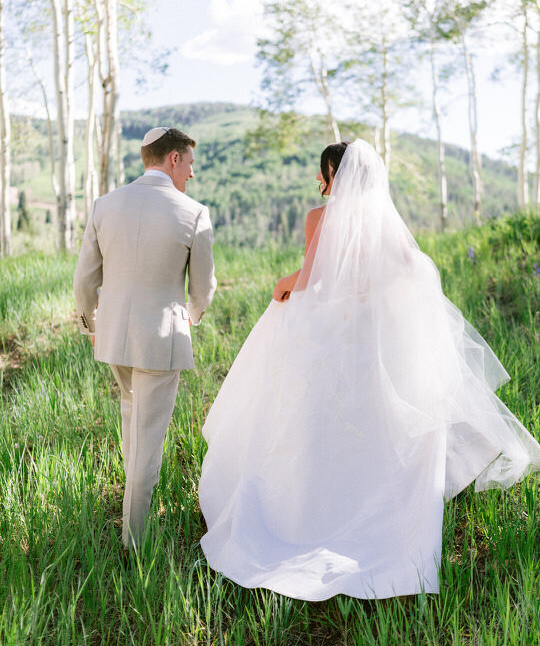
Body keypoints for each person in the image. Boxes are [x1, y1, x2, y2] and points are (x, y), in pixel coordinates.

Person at [198, 138, 540, 601]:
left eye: (322, 173)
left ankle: (310, 509)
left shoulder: (320, 218)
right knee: (374, 423)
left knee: (319, 423)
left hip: (332, 334)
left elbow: (311, 278)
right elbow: (411, 272)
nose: (319, 182)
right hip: (375, 336)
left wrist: (282, 285)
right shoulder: (386, 225)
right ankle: (380, 511)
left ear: (332, 176)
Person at [74, 127, 217, 547]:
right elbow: (204, 287)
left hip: (114, 336)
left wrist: (93, 325)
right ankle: (133, 540)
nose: (191, 174)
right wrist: (190, 316)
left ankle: (129, 514)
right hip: (160, 339)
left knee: (132, 420)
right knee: (148, 441)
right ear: (173, 158)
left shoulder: (105, 205)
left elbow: (84, 280)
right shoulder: (193, 212)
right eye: (189, 163)